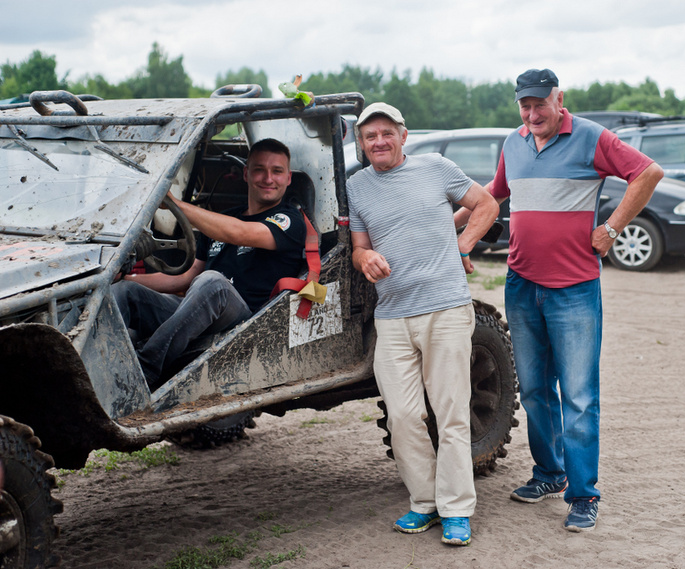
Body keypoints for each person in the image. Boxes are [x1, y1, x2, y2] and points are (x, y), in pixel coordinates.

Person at [456, 69, 663, 532]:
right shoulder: (514, 142)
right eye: (524, 107)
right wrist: (446, 226)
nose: (532, 115)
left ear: (558, 99)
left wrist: (611, 229)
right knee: (532, 390)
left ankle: (584, 494)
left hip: (574, 289)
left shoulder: (592, 137)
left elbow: (648, 172)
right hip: (522, 285)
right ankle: (549, 473)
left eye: (539, 105)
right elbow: (494, 193)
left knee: (579, 396)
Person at [347, 102, 499, 547]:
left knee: (451, 414)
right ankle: (424, 502)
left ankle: (456, 510)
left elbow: (485, 203)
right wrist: (364, 257)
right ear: (361, 143)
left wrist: (463, 243)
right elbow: (359, 247)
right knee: (403, 415)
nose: (379, 142)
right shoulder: (357, 187)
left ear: (403, 135)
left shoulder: (436, 168)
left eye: (386, 133)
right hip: (392, 317)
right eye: (370, 136)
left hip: (446, 311)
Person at [113, 138, 306, 390]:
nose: (268, 178)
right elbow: (185, 277)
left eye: (277, 171)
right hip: (199, 309)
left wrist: (174, 204)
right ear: (246, 174)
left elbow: (240, 234)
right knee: (124, 292)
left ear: (288, 178)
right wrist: (124, 279)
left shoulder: (289, 220)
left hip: (249, 323)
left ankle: (143, 371)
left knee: (213, 282)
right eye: (259, 169)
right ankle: (105, 362)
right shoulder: (224, 219)